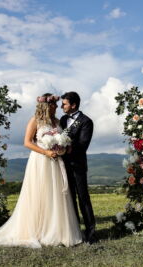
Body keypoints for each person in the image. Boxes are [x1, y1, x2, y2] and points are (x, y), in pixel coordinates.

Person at [0, 93, 82, 248]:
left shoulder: (57, 121)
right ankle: (37, 230)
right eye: (54, 105)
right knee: (40, 193)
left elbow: (63, 140)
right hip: (40, 161)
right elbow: (27, 142)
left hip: (55, 162)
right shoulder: (35, 120)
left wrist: (63, 148)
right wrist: (46, 152)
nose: (57, 107)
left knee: (55, 195)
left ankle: (55, 230)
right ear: (46, 106)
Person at [60, 91, 97, 244]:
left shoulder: (86, 121)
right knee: (69, 199)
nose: (61, 106)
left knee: (83, 198)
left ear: (73, 105)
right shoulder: (62, 120)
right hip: (62, 165)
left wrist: (65, 145)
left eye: (64, 104)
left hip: (78, 165)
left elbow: (83, 145)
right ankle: (75, 230)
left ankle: (91, 232)